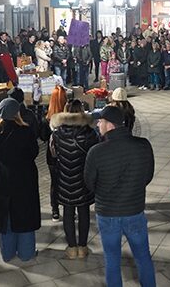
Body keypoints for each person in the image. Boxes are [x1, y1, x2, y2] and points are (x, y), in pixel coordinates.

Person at [84, 106, 156, 286]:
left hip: (107, 214)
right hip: (134, 212)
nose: (98, 124)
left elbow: (89, 183)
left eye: (100, 121)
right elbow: (147, 176)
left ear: (110, 125)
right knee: (143, 257)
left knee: (112, 260)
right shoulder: (143, 145)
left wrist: (104, 192)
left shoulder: (97, 151)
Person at [0, 98, 41, 262]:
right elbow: (34, 152)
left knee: (6, 213)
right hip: (24, 178)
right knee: (24, 213)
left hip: (3, 177)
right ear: (16, 112)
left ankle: (7, 253)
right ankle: (26, 253)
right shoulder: (25, 131)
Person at [50, 100, 99, 259]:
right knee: (84, 212)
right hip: (83, 179)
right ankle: (83, 247)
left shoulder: (57, 134)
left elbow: (53, 156)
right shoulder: (90, 134)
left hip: (64, 178)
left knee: (68, 212)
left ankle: (71, 248)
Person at [42, 86, 68, 222]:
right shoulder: (69, 118)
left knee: (54, 183)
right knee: (68, 181)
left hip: (51, 156)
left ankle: (55, 210)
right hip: (67, 153)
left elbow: (43, 136)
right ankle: (70, 208)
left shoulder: (47, 119)